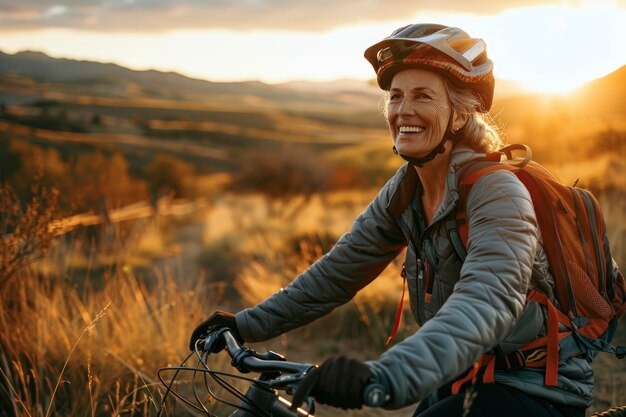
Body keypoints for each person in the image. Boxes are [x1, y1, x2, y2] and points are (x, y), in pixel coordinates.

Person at [189, 24, 600, 416]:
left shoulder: (498, 192)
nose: (404, 110)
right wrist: (246, 324)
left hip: (533, 385)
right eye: (396, 96)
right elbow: (337, 272)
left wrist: (386, 375)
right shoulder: (406, 190)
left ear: (460, 114)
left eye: (423, 96)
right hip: (462, 372)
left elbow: (487, 300)